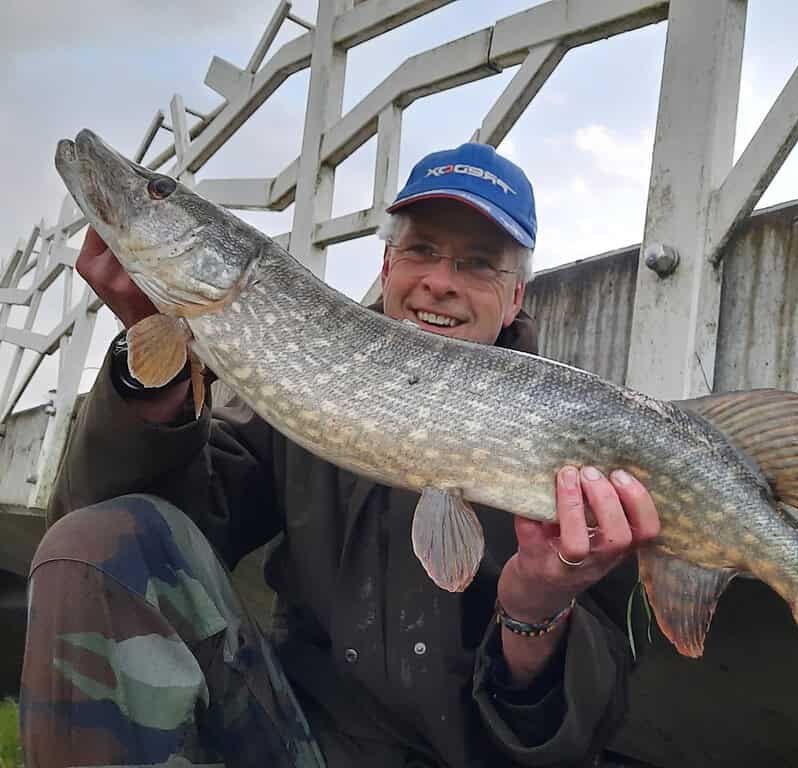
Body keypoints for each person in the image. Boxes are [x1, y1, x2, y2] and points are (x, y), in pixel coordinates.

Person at [19, 143, 661, 767]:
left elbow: (580, 734)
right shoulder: (298, 374)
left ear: (516, 295)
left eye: (475, 264)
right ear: (387, 266)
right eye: (422, 250)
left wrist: (534, 611)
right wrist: (148, 375)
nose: (439, 281)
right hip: (301, 742)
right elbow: (128, 538)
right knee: (94, 539)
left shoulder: (577, 443)